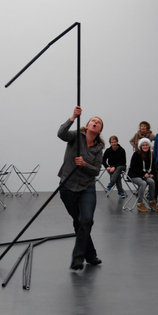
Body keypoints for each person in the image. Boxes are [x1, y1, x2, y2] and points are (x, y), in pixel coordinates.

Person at [58, 106, 104, 271]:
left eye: (98, 123)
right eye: (93, 120)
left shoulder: (98, 148)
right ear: (88, 124)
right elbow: (61, 134)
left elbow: (96, 170)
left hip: (87, 188)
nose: (95, 123)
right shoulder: (76, 136)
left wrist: (84, 164)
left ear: (99, 130)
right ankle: (90, 255)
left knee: (86, 220)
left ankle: (77, 259)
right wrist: (73, 117)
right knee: (79, 222)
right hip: (67, 186)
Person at [127, 138, 158, 212]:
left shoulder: (151, 155)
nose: (145, 147)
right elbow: (133, 167)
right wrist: (143, 174)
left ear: (149, 146)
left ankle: (152, 201)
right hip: (134, 175)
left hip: (145, 175)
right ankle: (140, 203)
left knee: (151, 181)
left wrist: (152, 174)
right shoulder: (136, 154)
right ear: (141, 147)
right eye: (143, 145)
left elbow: (153, 167)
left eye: (146, 145)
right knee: (143, 183)